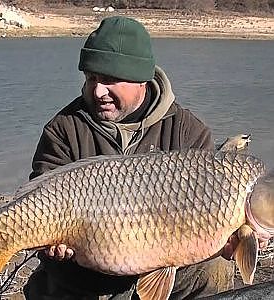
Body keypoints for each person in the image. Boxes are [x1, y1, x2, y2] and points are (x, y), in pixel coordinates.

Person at [24, 16, 236, 300]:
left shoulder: (188, 132)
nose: (98, 91)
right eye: (91, 79)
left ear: (141, 80)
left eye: (110, 80)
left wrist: (228, 239)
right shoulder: (64, 128)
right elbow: (39, 194)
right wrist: (53, 246)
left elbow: (210, 213)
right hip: (84, 274)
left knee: (215, 268)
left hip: (168, 267)